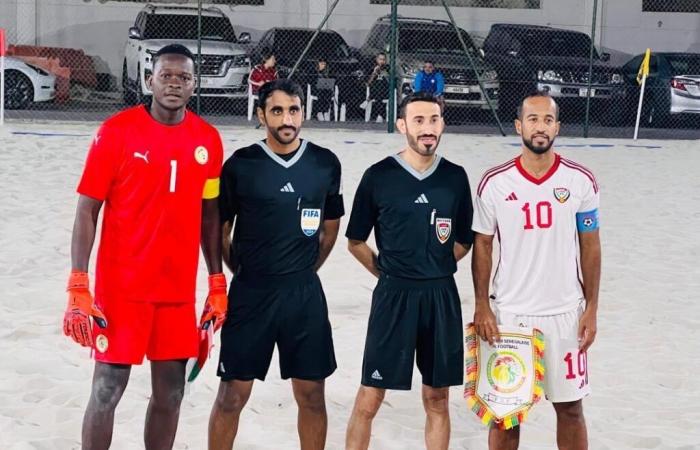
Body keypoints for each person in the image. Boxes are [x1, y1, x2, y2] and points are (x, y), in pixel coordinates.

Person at [63, 44, 227, 450]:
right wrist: (79, 282)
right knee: (106, 390)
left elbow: (210, 217)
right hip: (122, 292)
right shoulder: (116, 132)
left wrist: (217, 281)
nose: (174, 83)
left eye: (184, 77)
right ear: (149, 79)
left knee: (171, 394)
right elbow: (87, 211)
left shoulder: (207, 141)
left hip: (174, 294)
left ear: (194, 85)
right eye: (167, 75)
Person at [208, 79, 344, 450]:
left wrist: (303, 269)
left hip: (303, 294)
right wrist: (247, 272)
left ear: (303, 112)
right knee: (232, 395)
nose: (287, 119)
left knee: (312, 395)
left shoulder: (324, 163)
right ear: (261, 114)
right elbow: (221, 232)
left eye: (294, 110)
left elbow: (330, 227)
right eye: (278, 110)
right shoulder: (241, 165)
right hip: (252, 293)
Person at [471, 91, 601, 450]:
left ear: (557, 126)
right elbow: (482, 245)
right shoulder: (494, 183)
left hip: (565, 314)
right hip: (511, 314)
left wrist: (591, 307)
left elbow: (590, 245)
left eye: (547, 120)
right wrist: (482, 305)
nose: (540, 127)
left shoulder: (580, 181)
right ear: (518, 126)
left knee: (571, 409)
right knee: (506, 414)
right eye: (532, 119)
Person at [345, 92, 474, 450]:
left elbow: (464, 240)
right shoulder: (379, 176)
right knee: (370, 396)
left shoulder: (455, 177)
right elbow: (355, 241)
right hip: (393, 297)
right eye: (418, 121)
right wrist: (389, 274)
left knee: (437, 399)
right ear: (402, 125)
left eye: (434, 120)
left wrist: (434, 267)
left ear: (442, 124)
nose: (427, 128)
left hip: (440, 297)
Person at [365, 52, 390, 121]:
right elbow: (368, 83)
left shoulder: (388, 68)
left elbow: (391, 82)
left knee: (380, 85)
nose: (382, 61)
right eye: (380, 59)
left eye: (383, 59)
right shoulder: (372, 68)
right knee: (378, 87)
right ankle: (380, 115)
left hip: (385, 91)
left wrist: (386, 75)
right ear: (376, 59)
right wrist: (374, 73)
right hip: (375, 91)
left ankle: (378, 114)